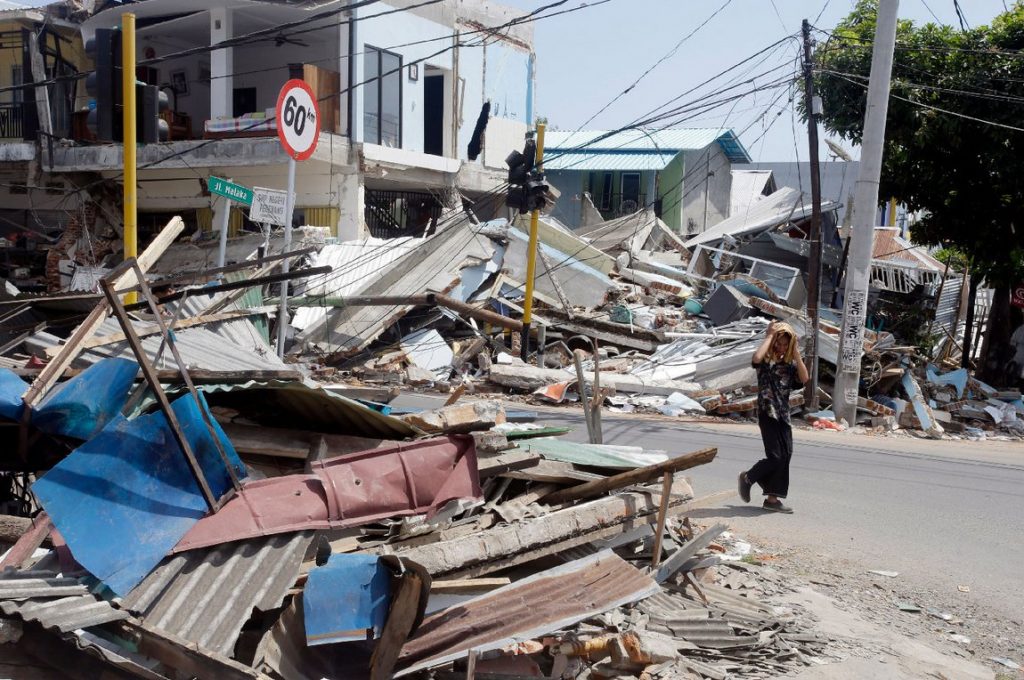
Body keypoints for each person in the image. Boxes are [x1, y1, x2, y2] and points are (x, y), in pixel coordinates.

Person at [738, 321, 809, 513]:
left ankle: (772, 499)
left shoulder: (790, 366)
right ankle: (748, 477)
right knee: (775, 457)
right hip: (767, 413)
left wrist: (796, 352)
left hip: (783, 416)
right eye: (779, 343)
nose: (782, 347)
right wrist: (769, 336)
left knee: (786, 455)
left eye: (786, 344)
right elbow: (756, 358)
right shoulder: (766, 363)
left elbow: (804, 378)